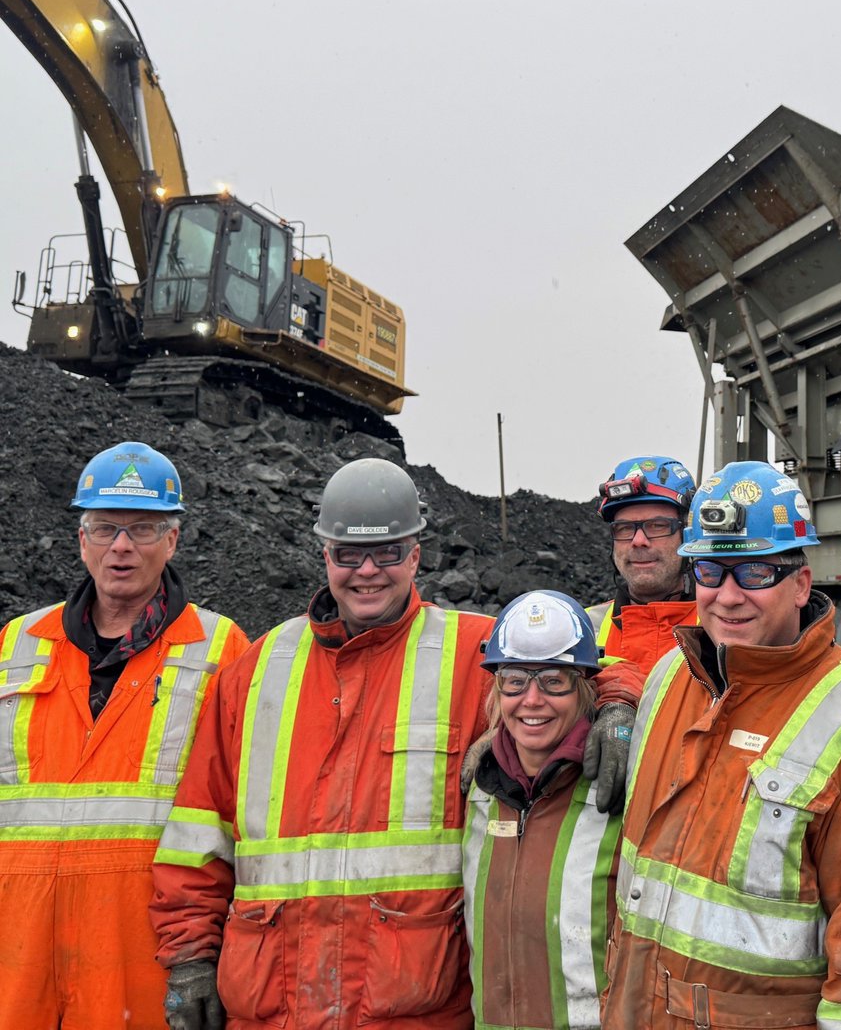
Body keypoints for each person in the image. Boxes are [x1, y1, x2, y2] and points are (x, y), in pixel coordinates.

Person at [151, 457, 640, 1030]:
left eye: (388, 553)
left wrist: (618, 701)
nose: (368, 572)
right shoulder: (256, 669)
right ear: (324, 555)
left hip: (412, 1005)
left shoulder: (470, 652)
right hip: (272, 1003)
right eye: (348, 554)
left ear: (415, 554)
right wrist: (189, 954)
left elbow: (576, 662)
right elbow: (198, 832)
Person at [603, 460, 841, 1029]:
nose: (728, 597)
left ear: (801, 584)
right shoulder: (667, 681)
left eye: (753, 571)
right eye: (710, 571)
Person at [0, 440, 248, 1030]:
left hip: (143, 949)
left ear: (173, 540)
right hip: (16, 950)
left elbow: (239, 813)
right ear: (81, 538)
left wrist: (204, 953)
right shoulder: (16, 643)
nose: (121, 546)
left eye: (142, 529)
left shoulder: (219, 650)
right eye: (105, 527)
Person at [463, 589, 622, 1030]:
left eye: (554, 680)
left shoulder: (620, 789)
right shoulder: (480, 792)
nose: (532, 701)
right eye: (514, 680)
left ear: (586, 687)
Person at [586, 455, 699, 673]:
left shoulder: (725, 626)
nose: (638, 541)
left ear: (688, 534)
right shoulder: (581, 629)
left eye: (657, 525)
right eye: (625, 528)